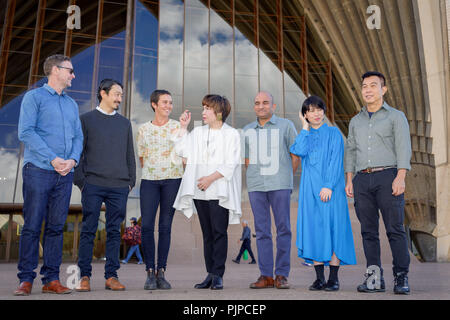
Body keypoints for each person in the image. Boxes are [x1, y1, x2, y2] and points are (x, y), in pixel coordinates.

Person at [14, 54, 83, 296]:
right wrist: (53, 159)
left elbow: (78, 137)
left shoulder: (71, 104)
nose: (73, 75)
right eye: (70, 70)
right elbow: (26, 132)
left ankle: (51, 279)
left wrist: (72, 160)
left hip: (65, 174)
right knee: (32, 226)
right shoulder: (34, 98)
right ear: (55, 70)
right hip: (39, 171)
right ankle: (25, 279)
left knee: (56, 227)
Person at [344, 71, 412, 295]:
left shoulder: (395, 116)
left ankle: (401, 277)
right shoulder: (356, 121)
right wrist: (349, 179)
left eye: (373, 86)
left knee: (395, 229)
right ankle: (374, 279)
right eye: (364, 86)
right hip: (362, 179)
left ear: (383, 90)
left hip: (388, 176)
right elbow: (351, 151)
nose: (368, 90)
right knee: (368, 232)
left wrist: (400, 177)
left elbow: (403, 147)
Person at [172, 95, 242, 290]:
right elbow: (182, 151)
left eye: (207, 108)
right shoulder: (198, 133)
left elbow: (232, 162)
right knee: (207, 234)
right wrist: (184, 128)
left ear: (218, 112)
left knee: (219, 232)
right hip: (200, 192)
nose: (203, 112)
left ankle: (218, 275)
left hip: (219, 191)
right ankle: (210, 274)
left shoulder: (232, 134)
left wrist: (210, 178)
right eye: (203, 108)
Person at [74, 78, 136, 292]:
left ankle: (111, 276)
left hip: (119, 186)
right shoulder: (86, 120)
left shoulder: (125, 123)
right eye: (117, 94)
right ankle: (84, 276)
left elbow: (130, 154)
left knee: (113, 232)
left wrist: (130, 182)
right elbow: (77, 153)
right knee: (89, 230)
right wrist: (81, 182)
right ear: (103, 93)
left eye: (121, 94)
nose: (120, 98)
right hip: (92, 184)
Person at [290, 96, 356, 292]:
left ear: (324, 111)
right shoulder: (306, 135)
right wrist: (303, 127)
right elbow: (298, 150)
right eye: (310, 111)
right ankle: (319, 279)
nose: (316, 114)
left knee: (333, 229)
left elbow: (336, 161)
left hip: (331, 190)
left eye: (319, 109)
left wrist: (328, 185)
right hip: (310, 191)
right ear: (305, 115)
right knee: (314, 231)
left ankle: (333, 279)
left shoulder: (334, 133)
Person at [243, 91, 299, 289]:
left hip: (280, 185)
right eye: (257, 103)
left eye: (265, 102)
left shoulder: (286, 126)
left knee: (283, 228)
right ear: (254, 107)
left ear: (273, 106)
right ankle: (265, 275)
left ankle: (281, 275)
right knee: (262, 231)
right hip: (257, 186)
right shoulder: (247, 130)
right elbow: (247, 160)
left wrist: (285, 177)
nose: (261, 106)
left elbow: (295, 155)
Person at [137, 89, 183, 290]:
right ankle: (149, 272)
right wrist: (154, 169)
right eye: (164, 102)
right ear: (154, 104)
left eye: (170, 103)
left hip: (172, 181)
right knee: (146, 226)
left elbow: (184, 154)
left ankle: (161, 272)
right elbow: (142, 157)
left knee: (165, 227)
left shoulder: (178, 127)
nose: (168, 106)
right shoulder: (143, 129)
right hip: (150, 181)